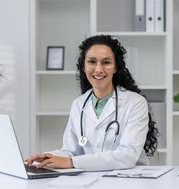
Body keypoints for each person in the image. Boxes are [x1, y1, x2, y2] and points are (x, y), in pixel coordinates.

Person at [26, 35, 158, 171]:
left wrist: (72, 162)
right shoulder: (78, 104)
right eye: (92, 62)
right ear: (83, 67)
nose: (99, 69)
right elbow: (71, 151)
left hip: (129, 181)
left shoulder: (135, 102)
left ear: (116, 67)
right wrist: (48, 157)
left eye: (106, 62)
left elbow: (127, 156)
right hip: (90, 180)